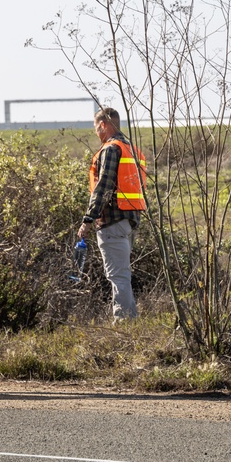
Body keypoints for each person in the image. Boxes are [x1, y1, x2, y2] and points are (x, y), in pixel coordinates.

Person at [77, 107, 146, 319]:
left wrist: (88, 219)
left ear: (103, 125)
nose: (97, 134)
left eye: (96, 129)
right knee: (121, 273)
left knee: (118, 275)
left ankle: (125, 321)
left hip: (112, 221)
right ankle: (128, 318)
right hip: (130, 220)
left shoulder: (110, 149)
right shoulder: (133, 150)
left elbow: (103, 187)